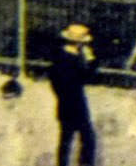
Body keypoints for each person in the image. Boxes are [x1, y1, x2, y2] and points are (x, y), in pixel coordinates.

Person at [48, 23, 98, 166]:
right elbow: (86, 77)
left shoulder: (59, 56)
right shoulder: (74, 60)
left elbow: (53, 79)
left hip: (64, 104)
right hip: (77, 105)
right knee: (88, 139)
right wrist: (91, 61)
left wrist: (61, 96)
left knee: (65, 141)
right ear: (79, 43)